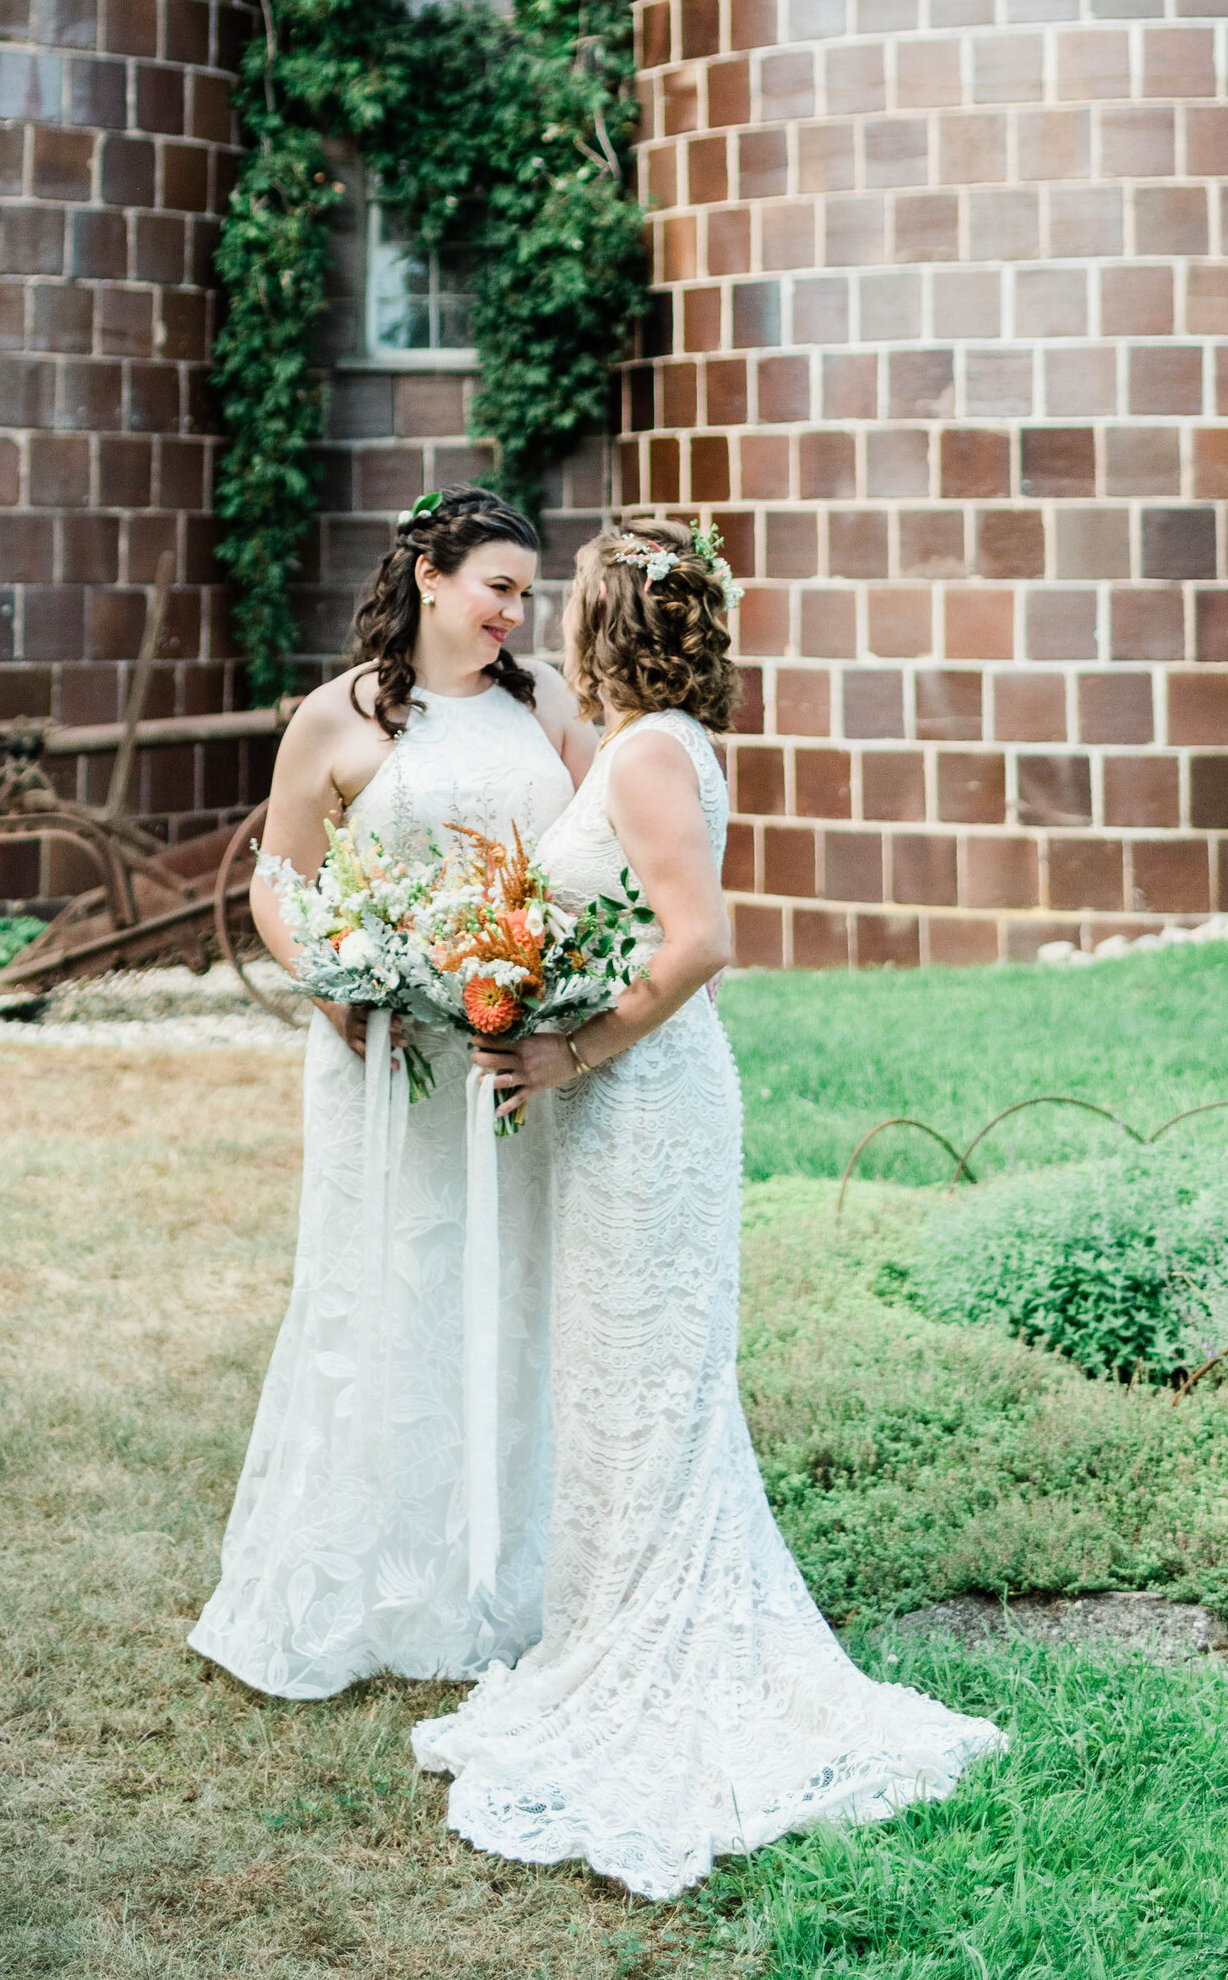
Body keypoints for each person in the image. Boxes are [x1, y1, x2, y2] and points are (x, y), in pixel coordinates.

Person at [412, 515, 1003, 1899]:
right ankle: (612, 1625)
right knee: (619, 1381)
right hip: (623, 1107)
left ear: (603, 620)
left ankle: (666, 1655)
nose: (546, 617)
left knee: (653, 1381)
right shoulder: (645, 742)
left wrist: (566, 1046)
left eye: (563, 602)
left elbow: (703, 941)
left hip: (650, 1110)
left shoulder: (652, 751)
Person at [188, 485, 592, 1697]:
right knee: (389, 1284)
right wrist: (331, 977)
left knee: (513, 1289)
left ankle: (512, 1574)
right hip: (385, 1060)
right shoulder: (337, 717)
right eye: (499, 587)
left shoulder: (549, 707)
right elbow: (279, 875)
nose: (515, 615)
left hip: (504, 1056)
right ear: (429, 573)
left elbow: (585, 859)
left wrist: (547, 975)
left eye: (527, 594)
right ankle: (378, 1578)